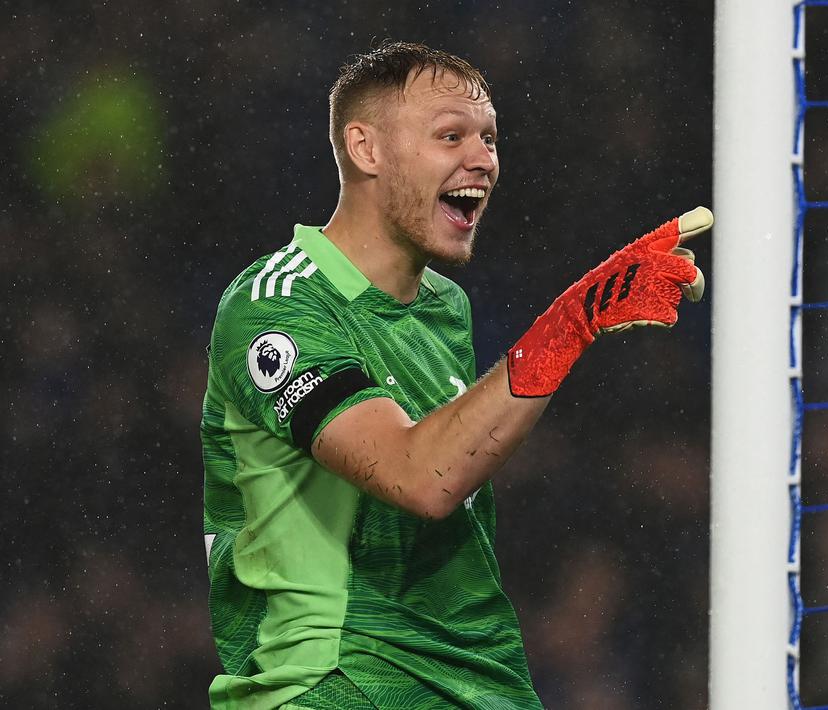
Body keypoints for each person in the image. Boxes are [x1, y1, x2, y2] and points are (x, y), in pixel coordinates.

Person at [200, 40, 711, 710]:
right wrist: (569, 325)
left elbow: (455, 489)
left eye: (489, 138)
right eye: (450, 136)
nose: (483, 159)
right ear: (366, 149)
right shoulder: (277, 306)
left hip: (477, 683)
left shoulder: (446, 306)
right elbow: (420, 477)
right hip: (334, 687)